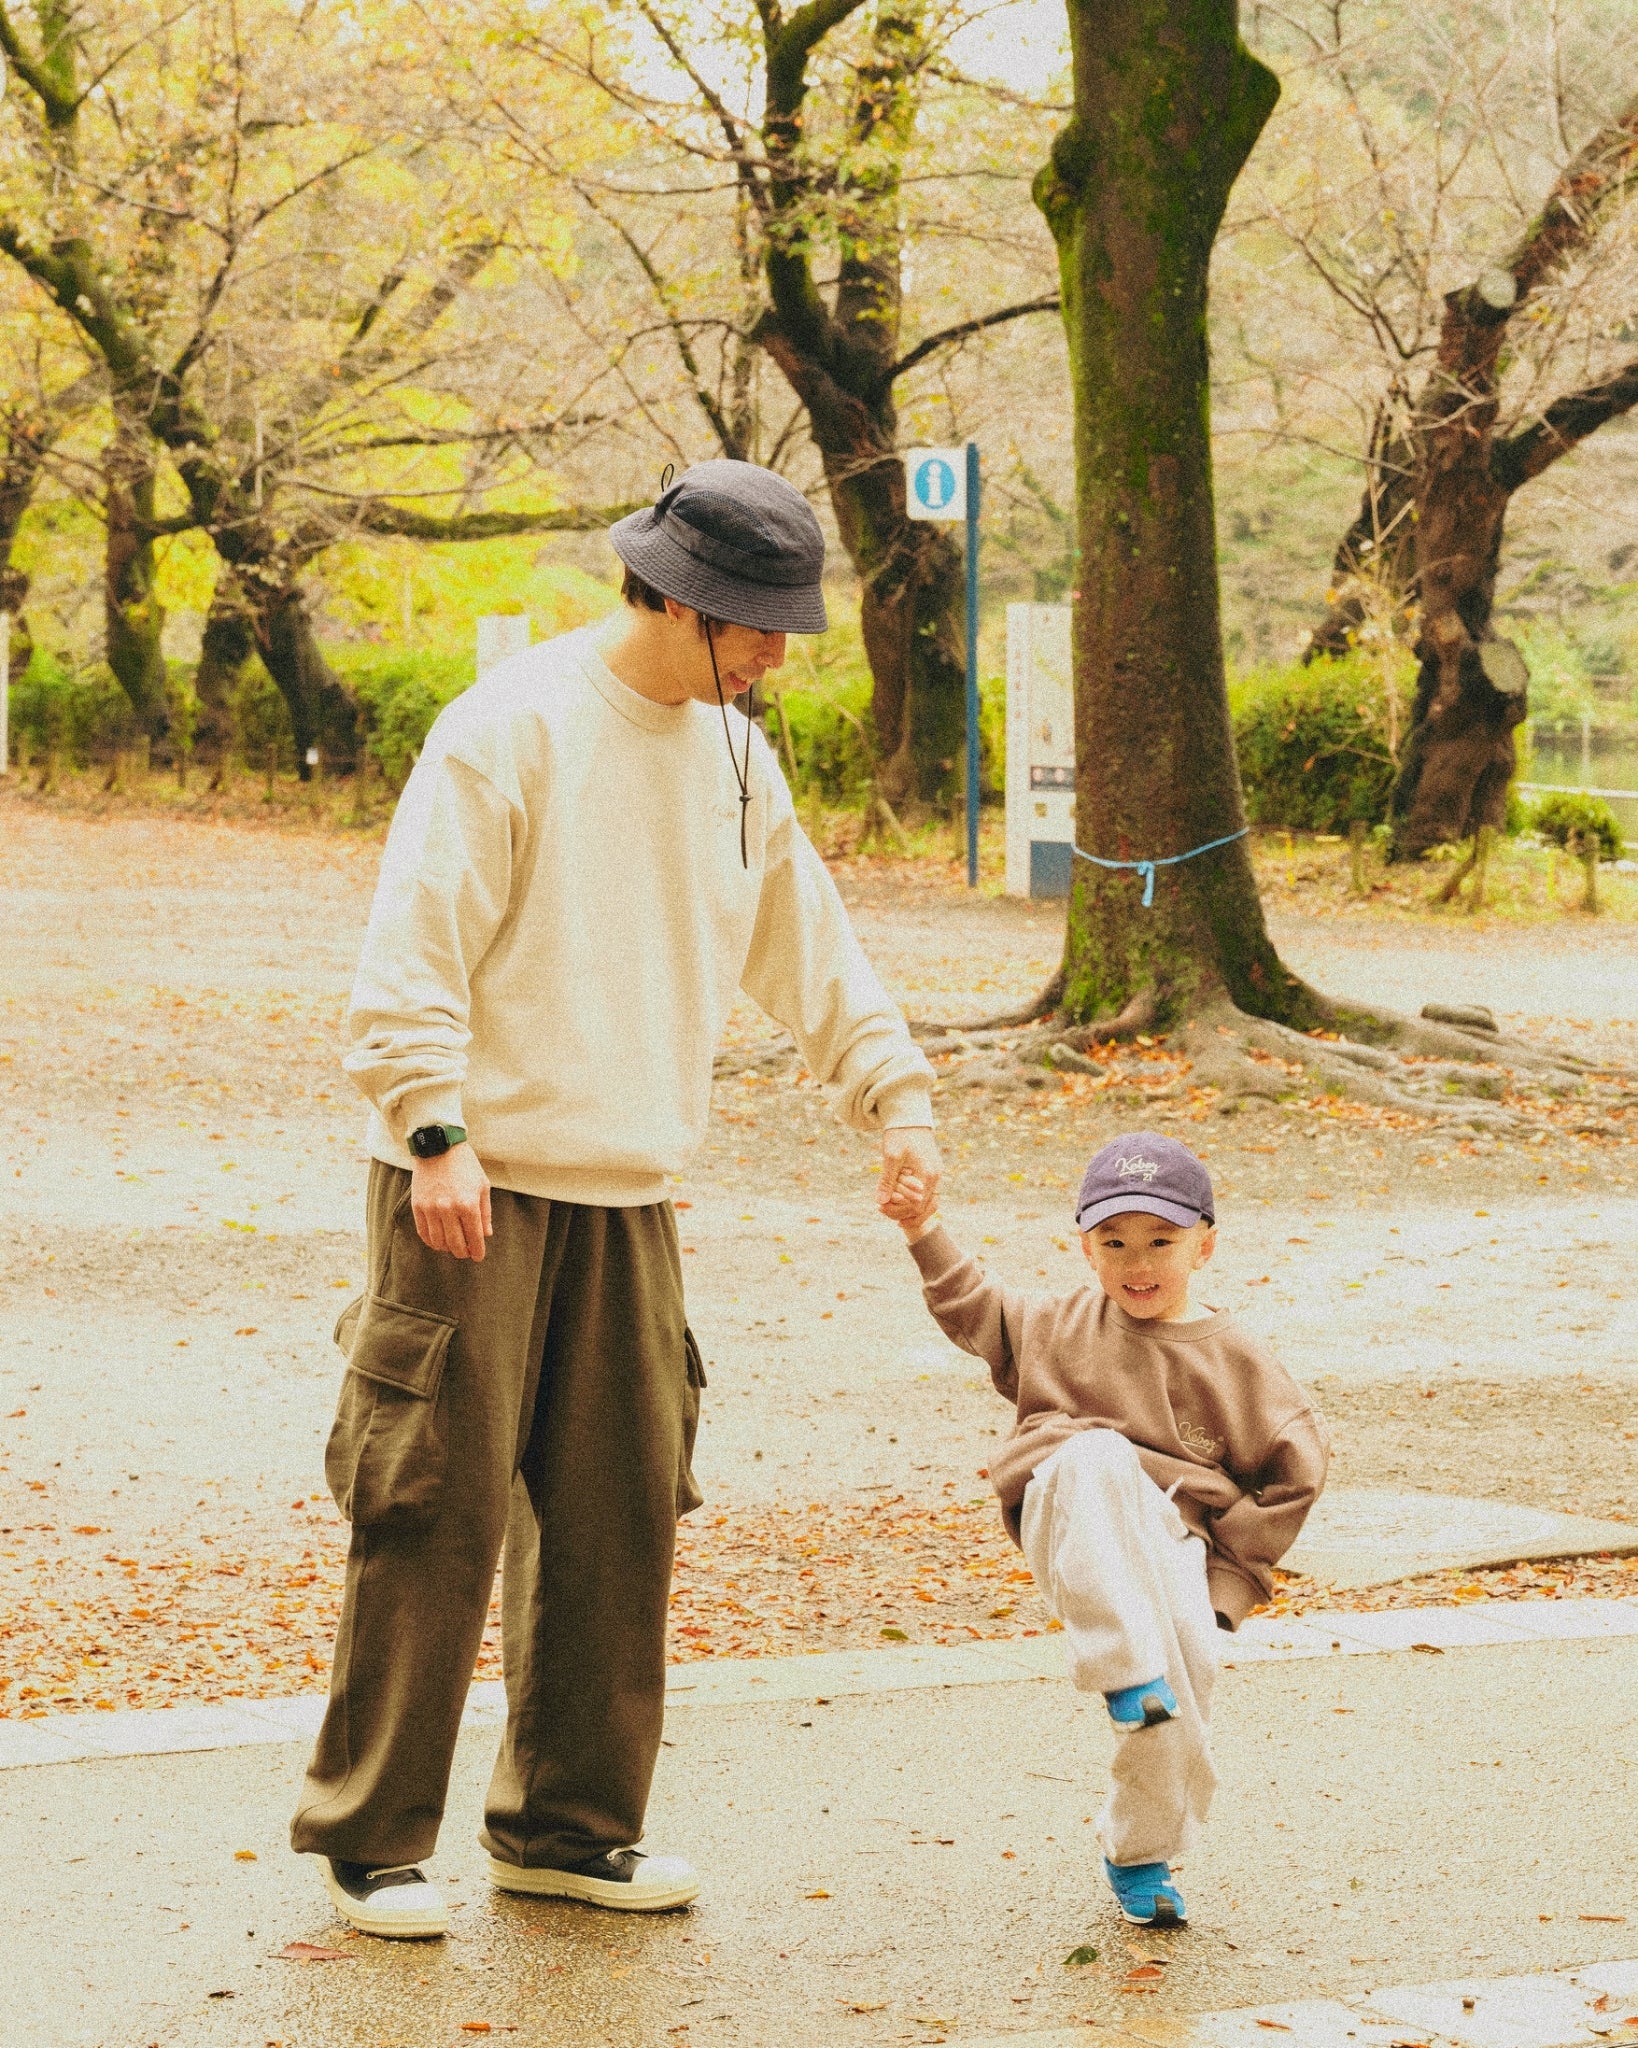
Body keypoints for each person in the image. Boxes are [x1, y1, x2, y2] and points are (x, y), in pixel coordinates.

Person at [292, 460, 940, 1938]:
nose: (778, 651)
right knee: (431, 1510)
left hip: (629, 1190)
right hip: (469, 1183)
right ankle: (372, 1839)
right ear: (673, 596)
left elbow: (811, 950)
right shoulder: (508, 729)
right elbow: (413, 951)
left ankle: (573, 1830)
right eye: (757, 624)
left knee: (617, 1512)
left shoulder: (736, 760)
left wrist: (891, 1097)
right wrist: (431, 1126)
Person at [882, 1131, 1327, 1929]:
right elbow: (971, 1305)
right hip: (1070, 1512)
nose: (1138, 1262)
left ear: (1206, 1246)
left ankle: (1139, 1852)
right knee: (1095, 1456)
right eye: (1114, 1242)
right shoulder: (1057, 1323)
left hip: (1170, 1545)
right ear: (1086, 1248)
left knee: (1179, 1704)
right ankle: (1120, 1666)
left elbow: (1293, 1476)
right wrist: (923, 1230)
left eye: (1162, 1241)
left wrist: (1226, 1590)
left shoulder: (1239, 1358)